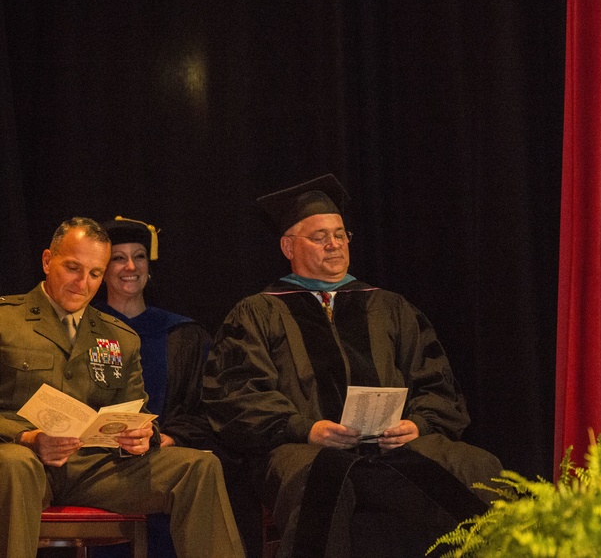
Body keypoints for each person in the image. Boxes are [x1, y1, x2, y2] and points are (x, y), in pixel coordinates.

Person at [203, 174, 501, 558]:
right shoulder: (258, 312)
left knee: (477, 467)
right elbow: (237, 395)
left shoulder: (390, 307)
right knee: (325, 481)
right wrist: (305, 428)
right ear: (287, 246)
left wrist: (418, 424)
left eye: (340, 234)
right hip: (302, 449)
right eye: (320, 236)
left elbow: (437, 385)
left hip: (396, 445)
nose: (334, 245)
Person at [0, 217, 245, 558]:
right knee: (13, 466)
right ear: (46, 261)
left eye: (95, 273)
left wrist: (143, 436)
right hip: (23, 463)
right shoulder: (6, 321)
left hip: (94, 469)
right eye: (73, 268)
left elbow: (138, 412)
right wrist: (28, 438)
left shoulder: (119, 336)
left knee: (198, 468)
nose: (83, 283)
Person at [91, 216, 216, 558]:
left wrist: (168, 438)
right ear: (101, 269)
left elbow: (207, 407)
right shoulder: (83, 328)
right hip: (97, 463)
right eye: (118, 258)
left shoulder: (182, 335)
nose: (130, 266)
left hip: (165, 459)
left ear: (150, 266)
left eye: (139, 256)